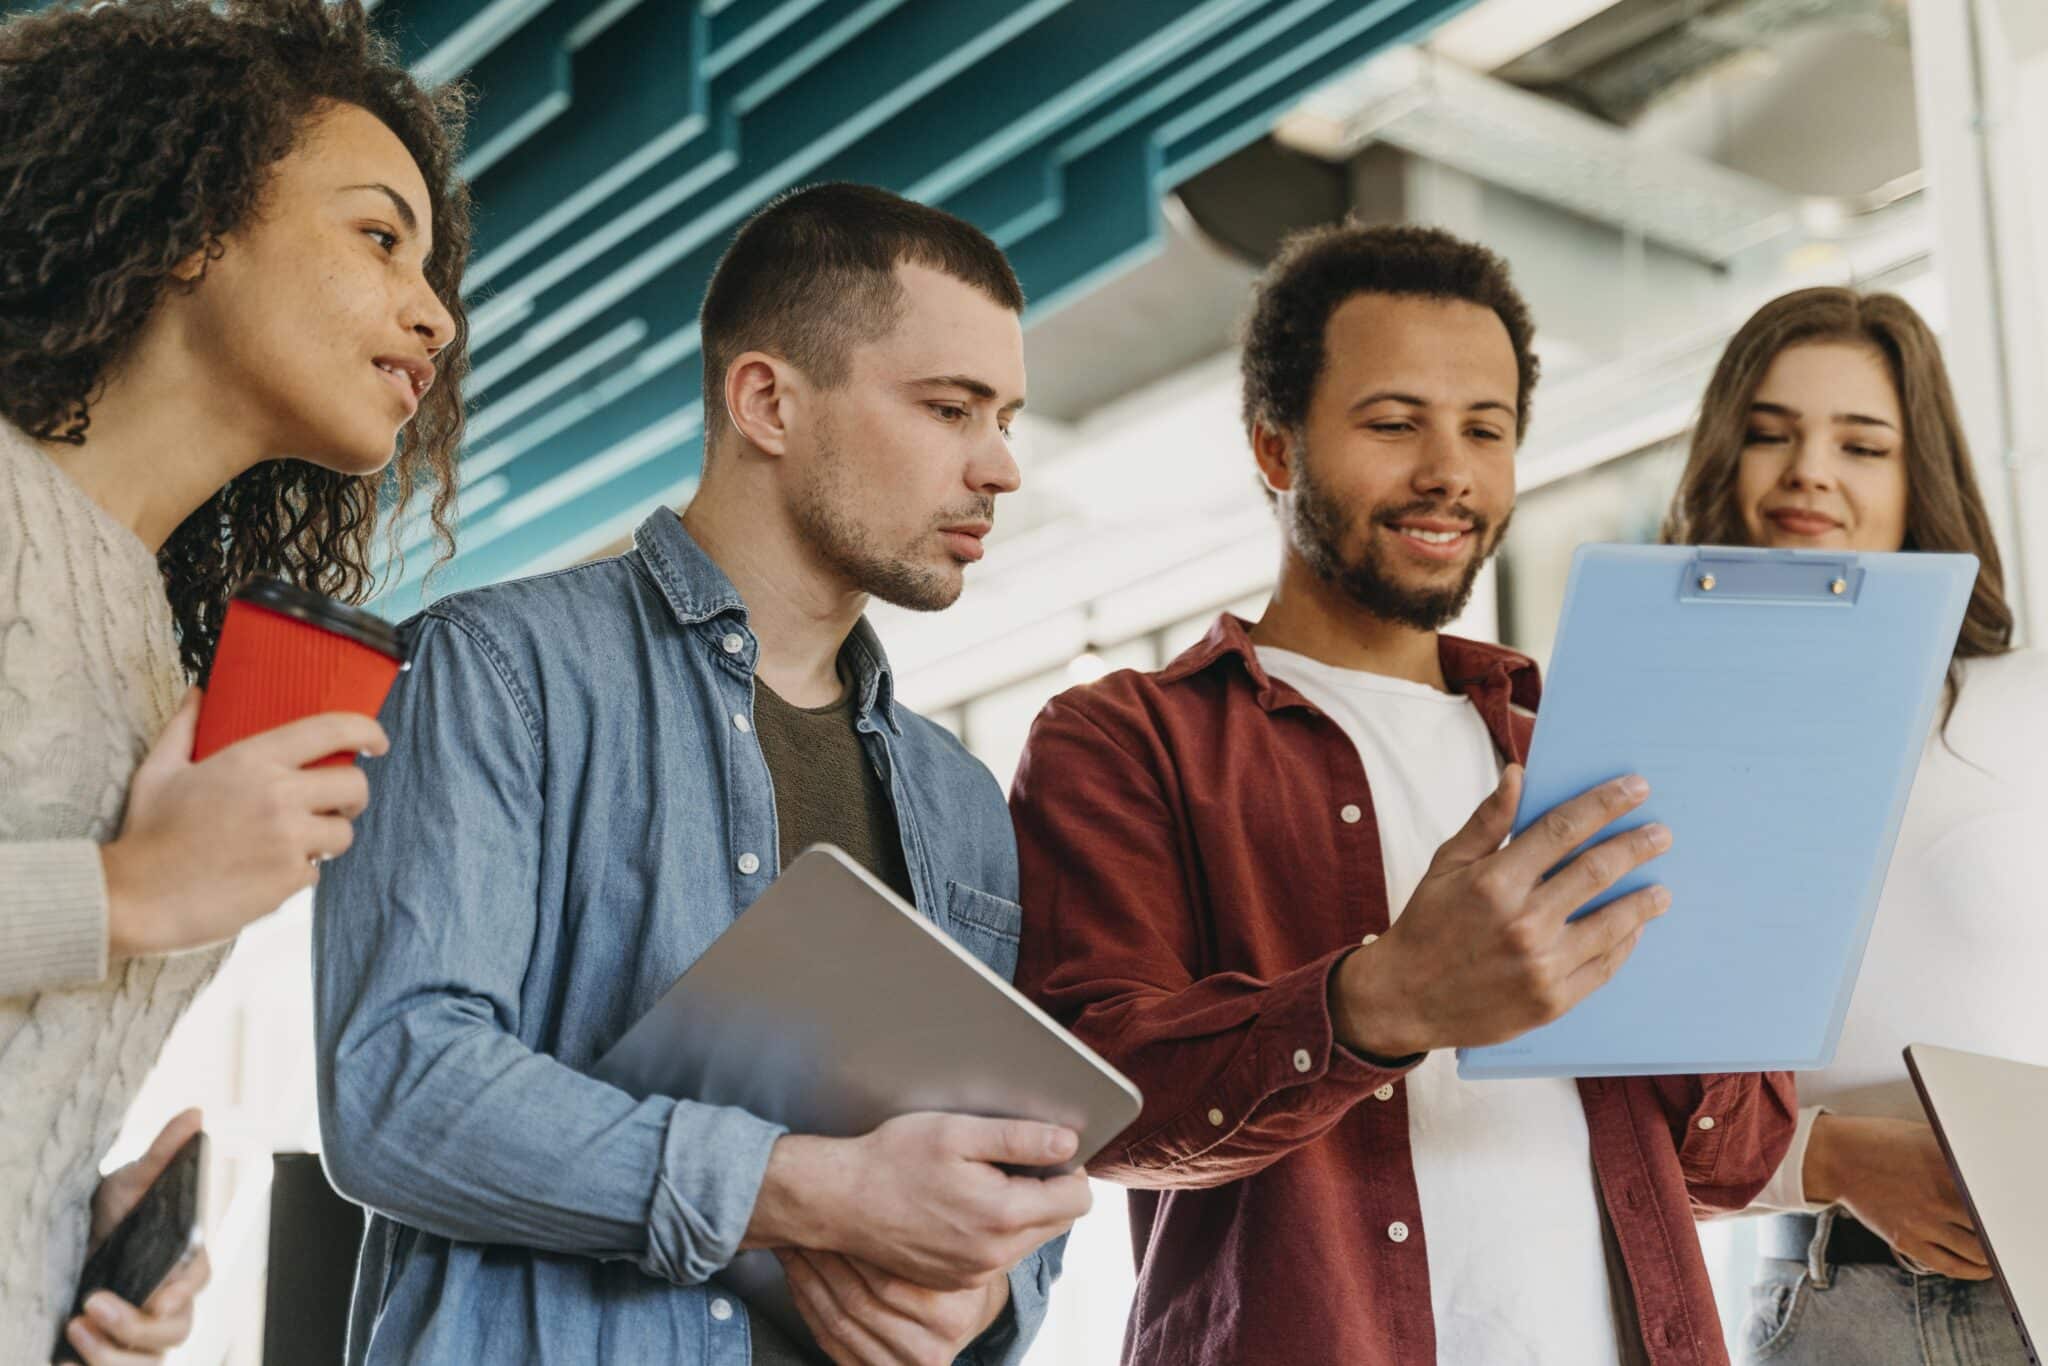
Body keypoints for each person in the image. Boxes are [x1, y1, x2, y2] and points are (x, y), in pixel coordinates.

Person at [312, 182, 1088, 1366]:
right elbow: (399, 1094)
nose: (999, 467)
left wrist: (985, 1300)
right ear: (766, 400)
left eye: (1006, 417)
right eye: (950, 408)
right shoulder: (497, 669)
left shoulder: (960, 803)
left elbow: (996, 1169)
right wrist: (805, 1188)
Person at [1011, 221, 1798, 1366]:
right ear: (1273, 449)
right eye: (1393, 424)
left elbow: (1727, 1158)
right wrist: (1373, 1006)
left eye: (1486, 429)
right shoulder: (1126, 740)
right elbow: (1093, 1100)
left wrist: (1721, 960)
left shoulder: (1586, 752)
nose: (1449, 471)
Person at [0, 1, 469, 1359]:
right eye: (379, 236)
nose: (433, 312)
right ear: (196, 222)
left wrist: (68, 1245)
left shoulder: (162, 654)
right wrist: (132, 890)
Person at [1665, 286, 2043, 1366]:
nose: (1808, 472)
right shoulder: (1655, 751)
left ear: (1915, 474)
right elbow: (1619, 1122)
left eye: (1860, 443)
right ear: (1718, 466)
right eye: (1769, 434)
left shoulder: (2027, 706)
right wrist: (1826, 1156)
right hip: (1837, 1304)